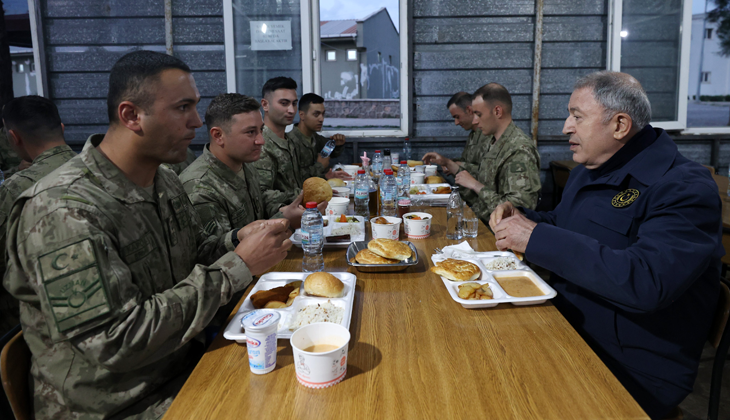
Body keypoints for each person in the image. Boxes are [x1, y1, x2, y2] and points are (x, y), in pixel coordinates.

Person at [3, 50, 291, 419]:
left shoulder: (164, 181)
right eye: (182, 108)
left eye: (195, 107)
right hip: (121, 404)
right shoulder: (63, 209)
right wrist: (236, 266)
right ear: (131, 115)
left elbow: (189, 255)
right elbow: (115, 341)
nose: (197, 122)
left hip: (184, 365)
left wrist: (235, 240)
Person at [490, 71, 723, 419]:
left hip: (632, 364)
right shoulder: (592, 167)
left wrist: (536, 239)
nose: (566, 127)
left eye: (577, 116)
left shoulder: (684, 188)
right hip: (568, 328)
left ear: (619, 125)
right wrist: (522, 220)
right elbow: (566, 225)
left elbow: (647, 282)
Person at [180, 93, 318, 235]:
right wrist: (284, 219)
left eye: (261, 130)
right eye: (251, 132)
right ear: (218, 136)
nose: (261, 140)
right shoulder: (200, 188)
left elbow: (258, 203)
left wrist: (288, 209)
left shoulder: (244, 164)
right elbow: (219, 252)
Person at [0, 95, 77, 338]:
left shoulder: (15, 188)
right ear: (61, 129)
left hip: (36, 323)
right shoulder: (100, 168)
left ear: (14, 137)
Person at [423, 83, 541, 221]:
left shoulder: (519, 151)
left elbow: (518, 212)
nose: (474, 120)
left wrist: (475, 185)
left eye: (478, 114)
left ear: (497, 112)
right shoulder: (492, 141)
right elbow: (484, 175)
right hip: (478, 220)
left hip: (497, 233)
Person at [253, 76, 304, 216]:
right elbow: (261, 195)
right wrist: (301, 195)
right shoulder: (261, 144)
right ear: (265, 105)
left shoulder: (289, 140)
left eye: (294, 104)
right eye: (284, 103)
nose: (292, 110)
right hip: (279, 219)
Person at [288, 93, 349, 180]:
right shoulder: (290, 142)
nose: (321, 119)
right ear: (302, 115)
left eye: (323, 114)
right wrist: (320, 166)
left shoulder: (314, 137)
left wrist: (338, 145)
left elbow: (329, 153)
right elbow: (295, 180)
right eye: (316, 114)